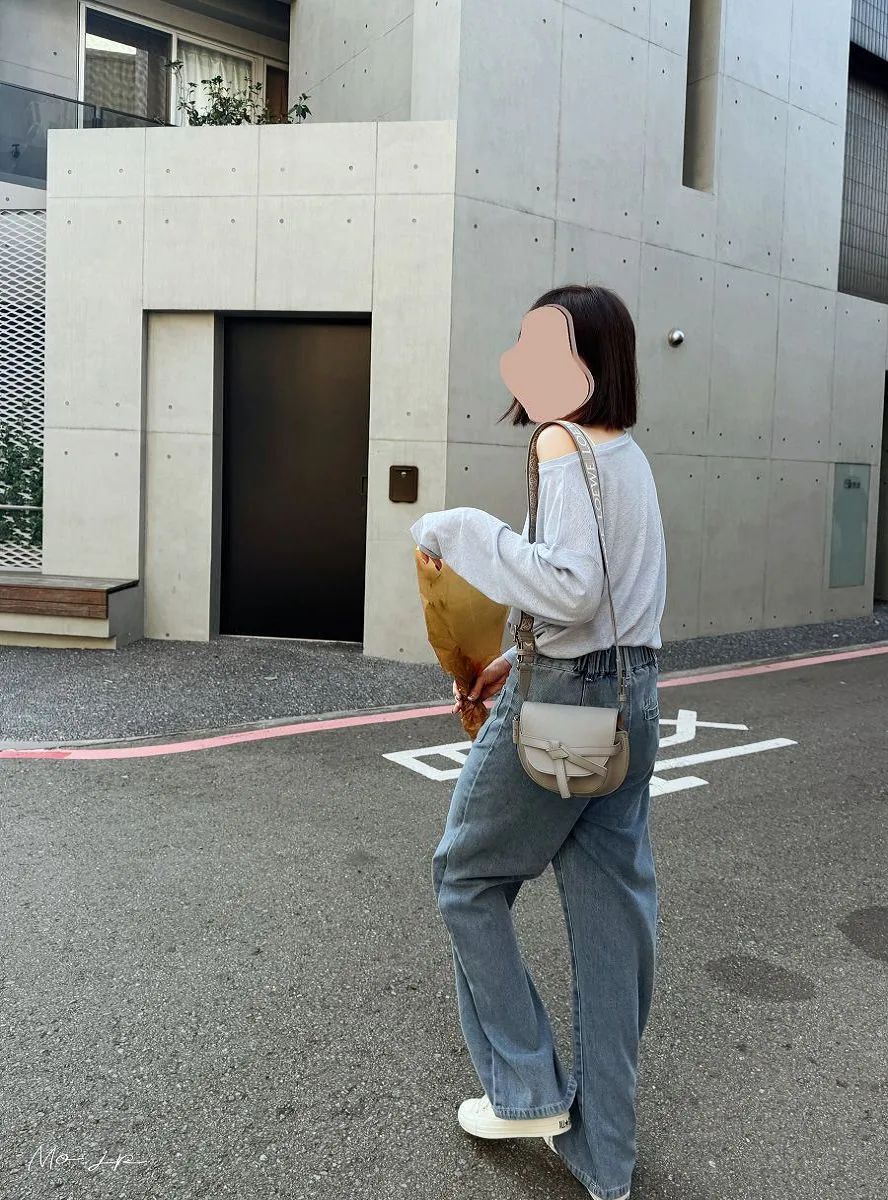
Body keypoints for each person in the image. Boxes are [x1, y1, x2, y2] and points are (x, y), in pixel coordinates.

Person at [409, 284, 666, 1200]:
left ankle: (524, 1089)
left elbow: (570, 587)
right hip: (632, 698)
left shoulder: (560, 443)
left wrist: (459, 530)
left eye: (536, 344)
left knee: (467, 879)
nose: (518, 360)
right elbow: (614, 611)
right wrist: (514, 662)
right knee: (610, 922)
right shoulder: (627, 456)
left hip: (566, 706)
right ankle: (606, 1161)